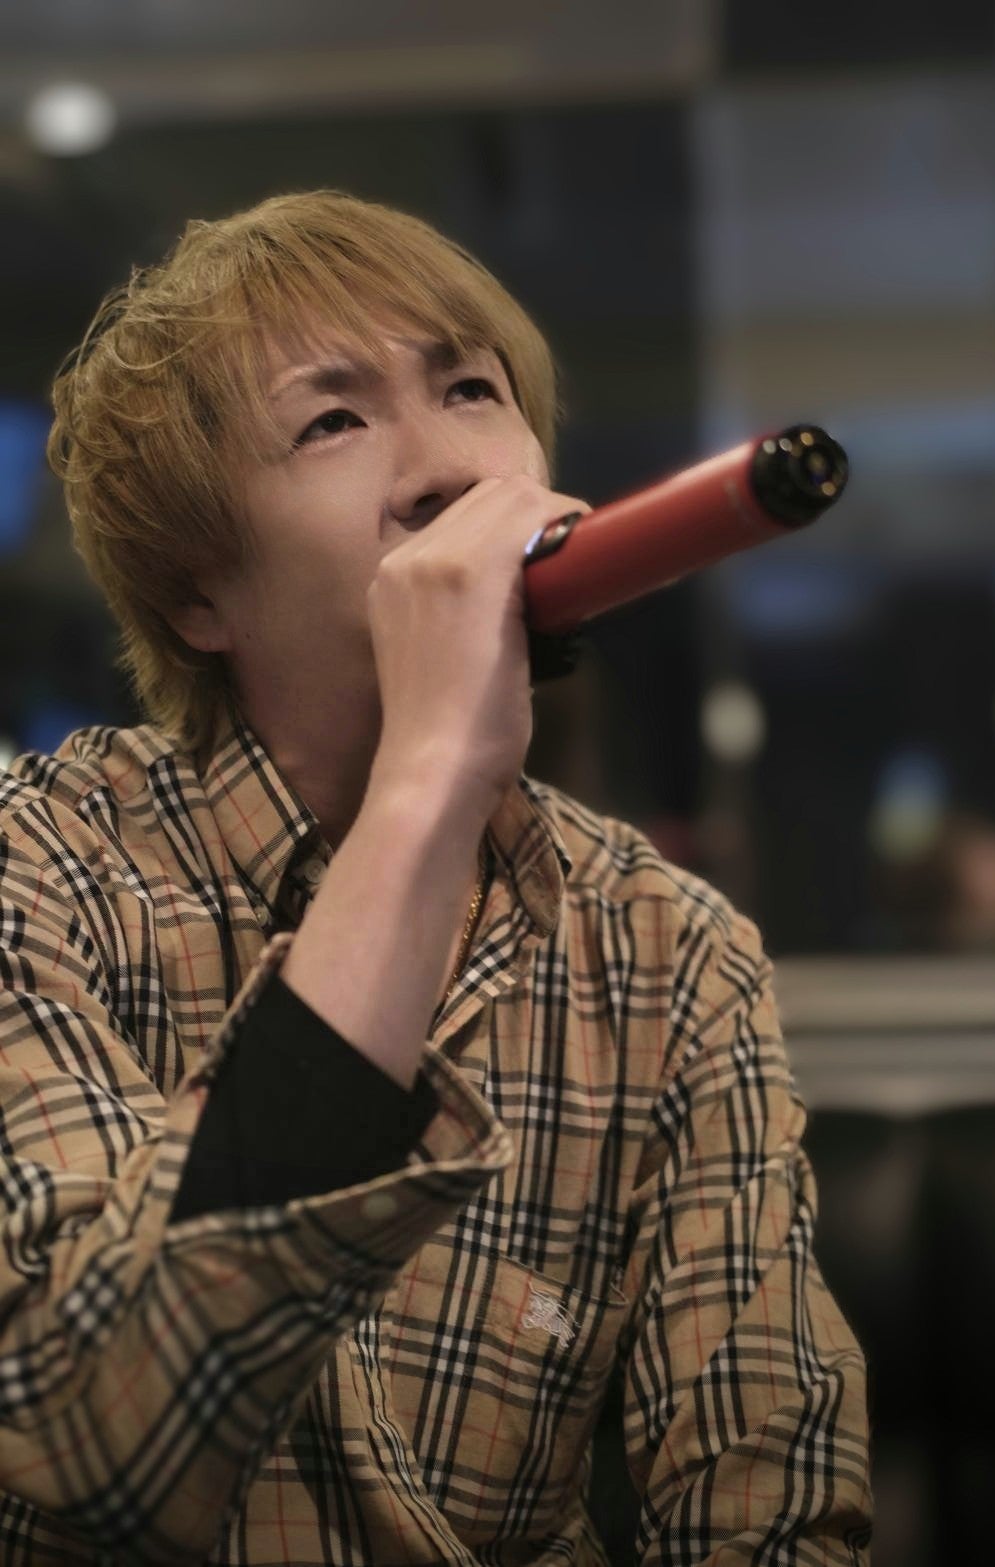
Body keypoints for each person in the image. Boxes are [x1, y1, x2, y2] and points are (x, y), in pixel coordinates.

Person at [0, 190, 871, 1565]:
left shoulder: (668, 950)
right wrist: (427, 782)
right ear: (197, 597)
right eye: (331, 422)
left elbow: (769, 1502)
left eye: (471, 390)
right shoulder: (38, 866)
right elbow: (102, 1439)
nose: (447, 473)